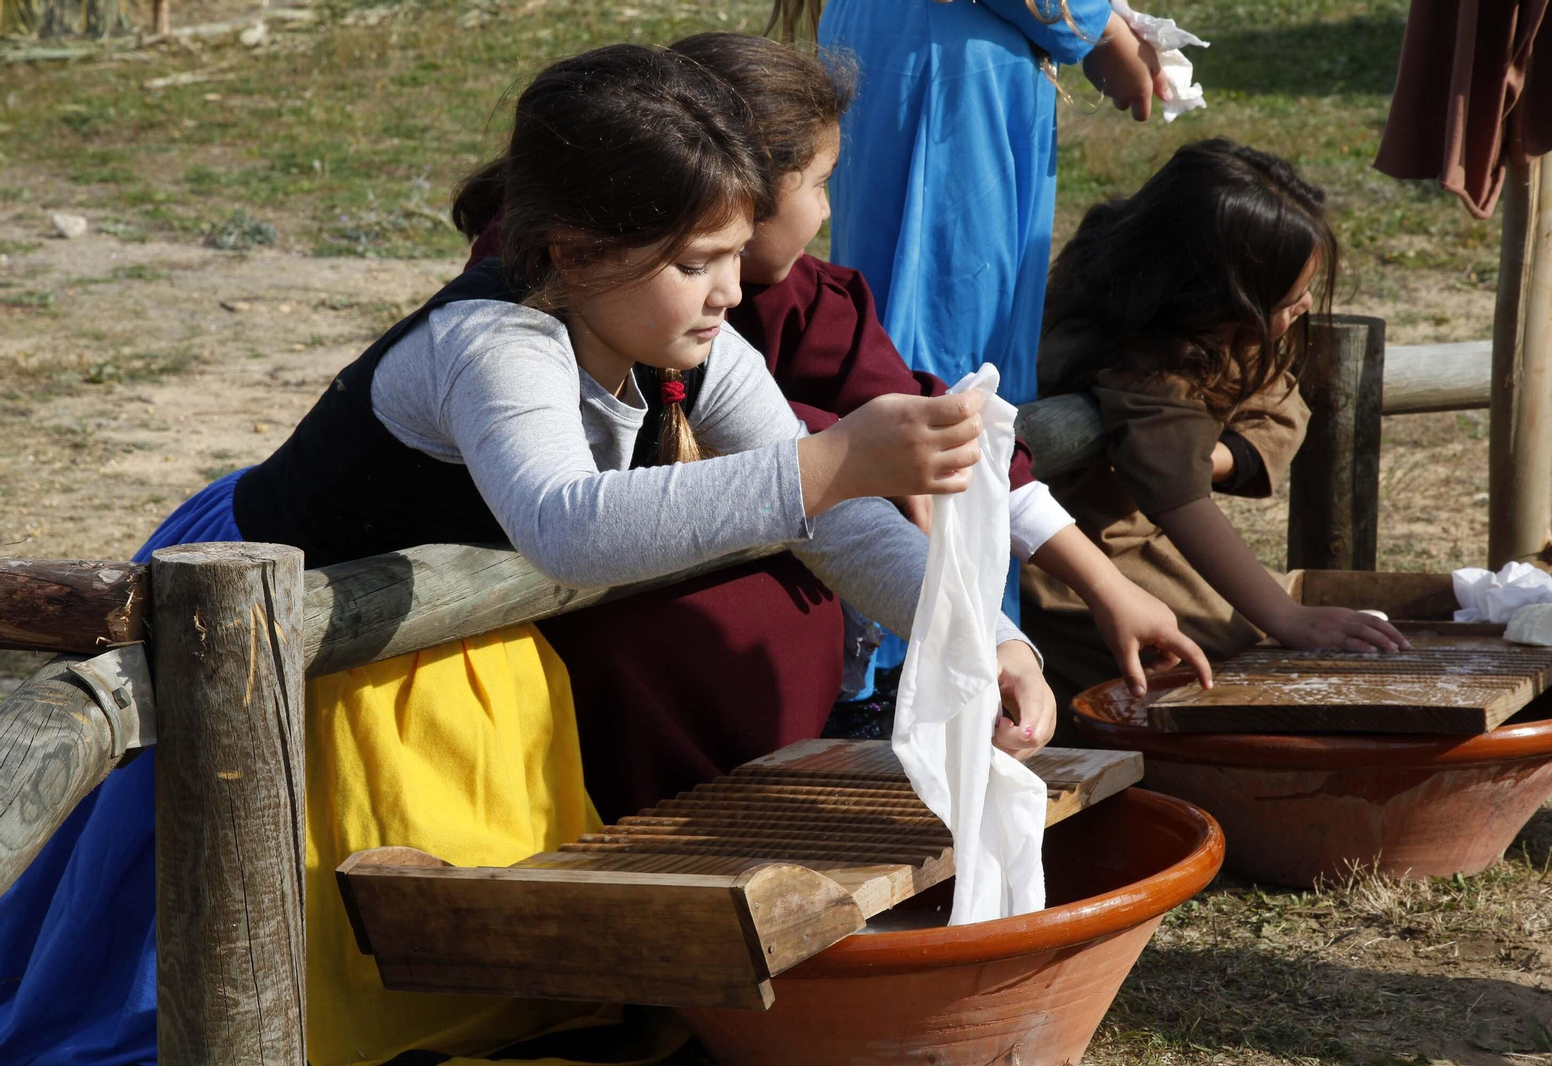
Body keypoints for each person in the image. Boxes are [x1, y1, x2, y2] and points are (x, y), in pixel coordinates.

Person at [1, 44, 1050, 1066]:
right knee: (207, 934)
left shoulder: (693, 342)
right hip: (273, 619)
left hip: (435, 631)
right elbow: (567, 521)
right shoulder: (491, 346)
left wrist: (977, 634)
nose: (731, 290)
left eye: (734, 254)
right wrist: (826, 462)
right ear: (578, 251)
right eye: (696, 262)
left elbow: (828, 522)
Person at [464, 30, 1211, 699]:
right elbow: (566, 523)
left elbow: (885, 466)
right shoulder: (501, 332)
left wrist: (995, 637)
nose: (827, 213)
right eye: (818, 184)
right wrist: (837, 455)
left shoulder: (762, 323)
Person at [789, 0, 1172, 685]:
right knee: (947, 363)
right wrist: (1092, 24)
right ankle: (935, 667)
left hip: (925, 40)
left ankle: (957, 654)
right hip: (949, 58)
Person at [1022, 139, 1412, 699]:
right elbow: (1181, 503)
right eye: (1290, 298)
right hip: (1078, 565)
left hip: (1149, 545)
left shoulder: (1212, 322)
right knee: (1227, 669)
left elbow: (1279, 406)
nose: (1303, 307)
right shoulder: (1143, 363)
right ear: (1220, 295)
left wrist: (1215, 458)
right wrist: (1286, 617)